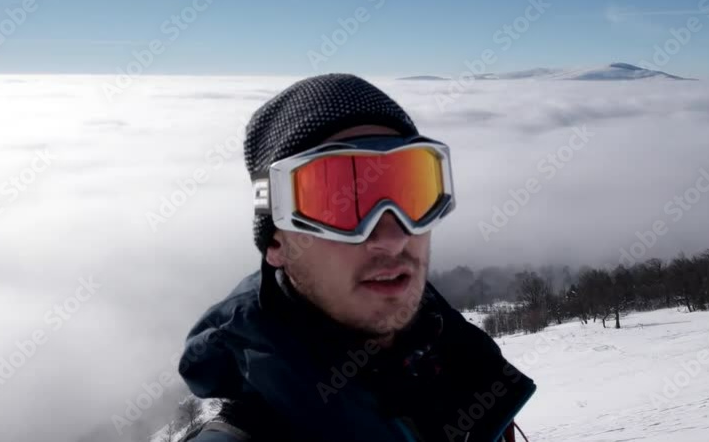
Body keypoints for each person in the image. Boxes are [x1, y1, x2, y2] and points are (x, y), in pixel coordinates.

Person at [179, 73, 535, 441]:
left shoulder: (461, 371)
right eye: (339, 202)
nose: (393, 238)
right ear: (276, 243)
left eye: (413, 192)